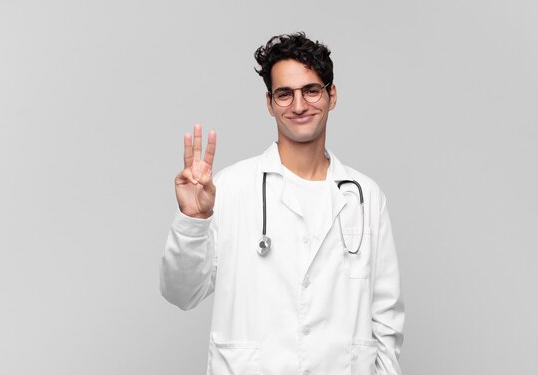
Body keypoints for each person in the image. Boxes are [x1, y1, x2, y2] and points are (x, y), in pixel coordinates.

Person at [160, 32, 404, 375]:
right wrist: (193, 219)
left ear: (331, 95)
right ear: (270, 103)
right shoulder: (229, 189)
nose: (299, 105)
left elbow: (386, 318)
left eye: (311, 90)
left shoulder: (364, 196)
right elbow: (181, 293)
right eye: (285, 94)